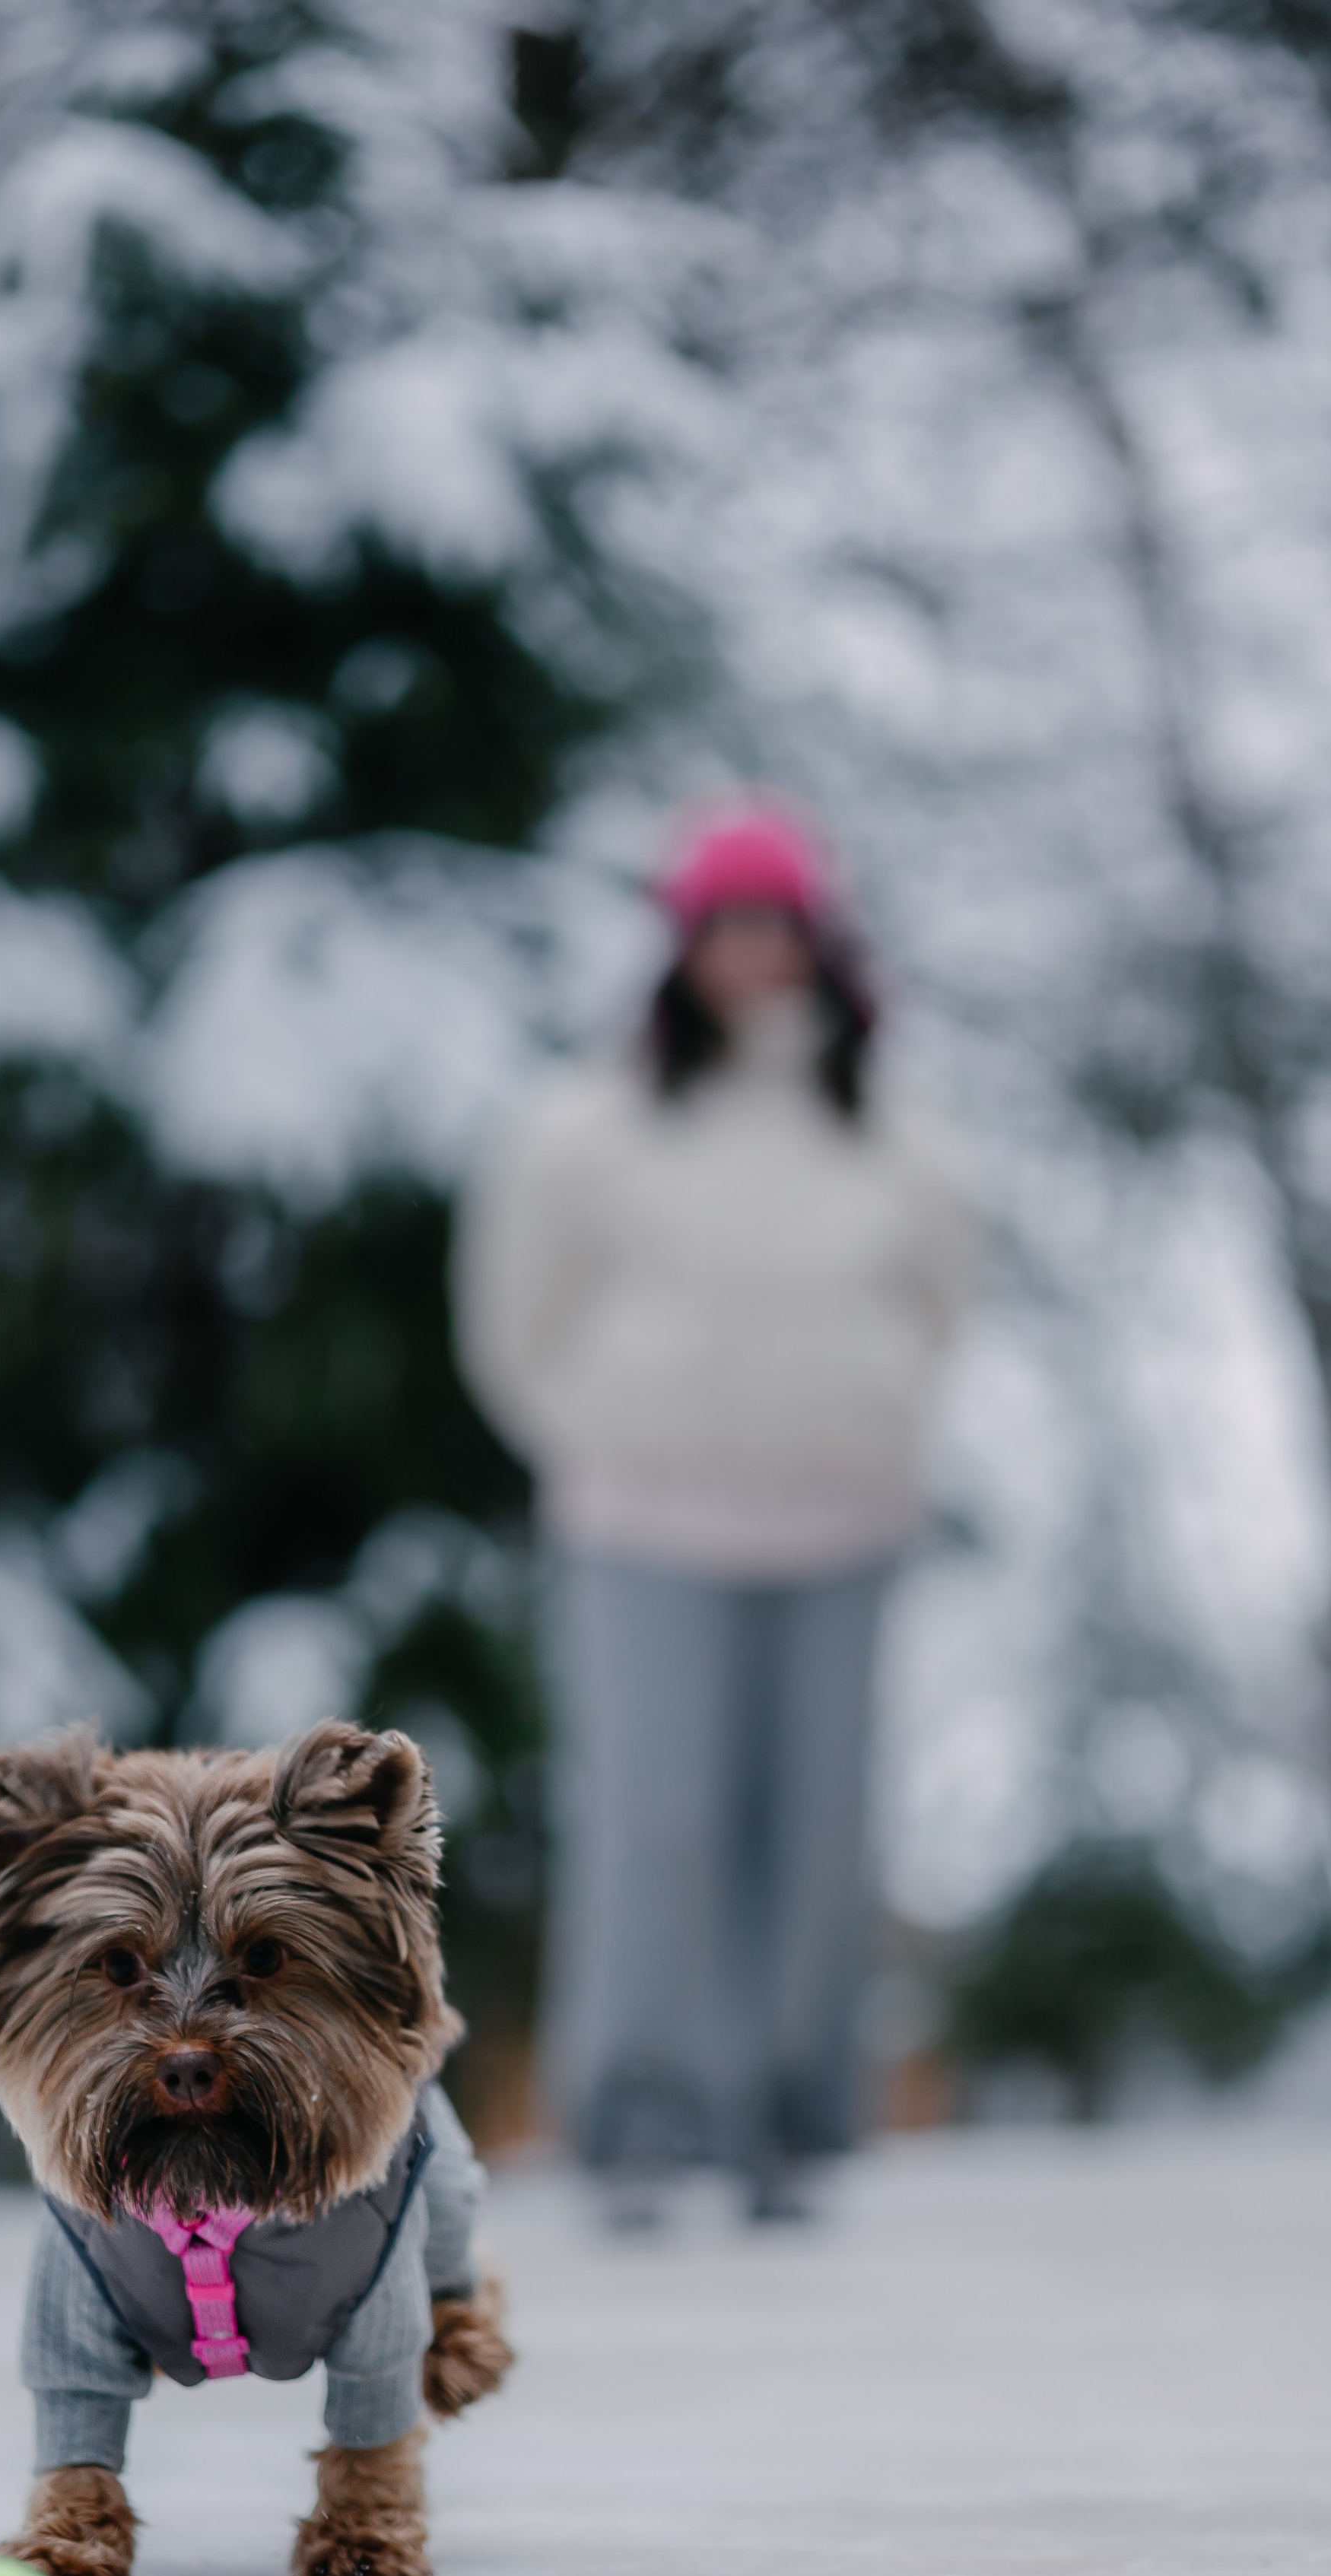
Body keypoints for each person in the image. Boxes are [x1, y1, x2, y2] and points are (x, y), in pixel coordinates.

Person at [454, 803, 977, 2224]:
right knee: (654, 1824)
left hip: (842, 1523)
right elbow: (515, 1325)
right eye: (726, 929)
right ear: (685, 950)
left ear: (818, 943)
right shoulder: (587, 1129)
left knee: (815, 1830)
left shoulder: (896, 1135)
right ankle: (633, 2125)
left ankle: (792, 2128)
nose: (754, 956)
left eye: (778, 927)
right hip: (647, 1524)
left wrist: (872, 1422)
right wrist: (602, 1436)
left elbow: (940, 1309)